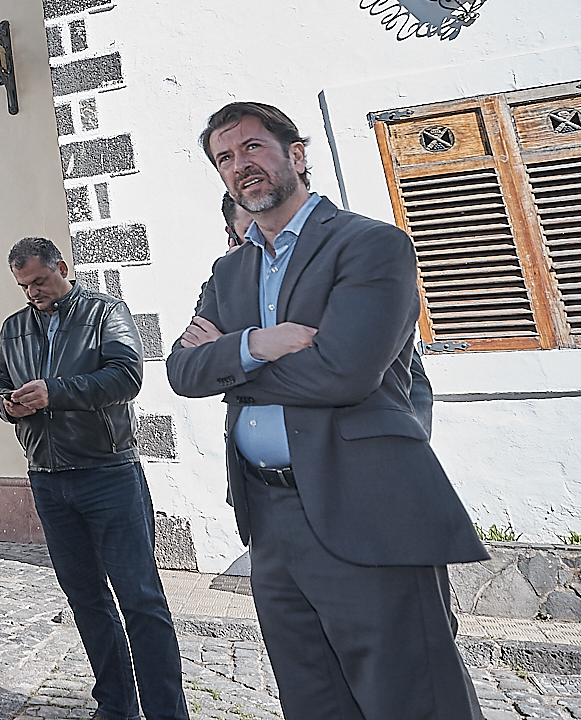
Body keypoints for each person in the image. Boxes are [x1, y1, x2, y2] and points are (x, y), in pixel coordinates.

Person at [167, 102, 485, 720]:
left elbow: (345, 372)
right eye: (225, 159)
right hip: (269, 514)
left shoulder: (369, 245)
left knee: (411, 696)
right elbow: (182, 371)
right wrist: (259, 343)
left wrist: (231, 369)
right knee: (312, 699)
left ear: (297, 155)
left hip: (363, 505)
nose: (240, 166)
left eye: (253, 148)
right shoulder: (230, 271)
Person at [0, 237, 188, 720]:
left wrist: (54, 394)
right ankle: (116, 707)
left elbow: (127, 376)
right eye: (23, 285)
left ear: (62, 266)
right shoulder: (14, 327)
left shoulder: (104, 311)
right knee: (86, 600)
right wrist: (7, 404)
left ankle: (167, 712)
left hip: (108, 473)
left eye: (38, 280)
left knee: (140, 600)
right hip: (48, 479)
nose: (31, 292)